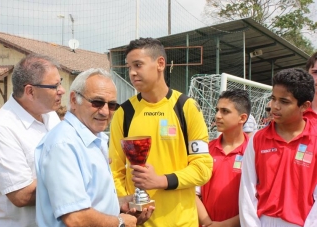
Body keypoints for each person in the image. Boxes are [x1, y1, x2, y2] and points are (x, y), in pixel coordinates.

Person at [109, 37, 213, 227]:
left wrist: (161, 180)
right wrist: (126, 204)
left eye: (138, 65)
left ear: (160, 63)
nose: (132, 73)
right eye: (129, 67)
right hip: (139, 223)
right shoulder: (123, 114)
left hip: (182, 222)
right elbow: (115, 170)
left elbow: (203, 169)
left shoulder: (187, 108)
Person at [35, 68, 151, 227]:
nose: (105, 111)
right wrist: (120, 223)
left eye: (111, 105)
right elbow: (75, 218)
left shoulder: (92, 139)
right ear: (74, 100)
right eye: (97, 102)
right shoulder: (64, 144)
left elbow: (90, 202)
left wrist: (120, 203)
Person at [0, 54, 64, 227]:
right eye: (54, 85)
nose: (62, 90)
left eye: (61, 82)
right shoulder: (3, 129)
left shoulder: (50, 115)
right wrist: (73, 180)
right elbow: (21, 195)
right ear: (30, 91)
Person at [239, 68, 317, 226]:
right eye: (273, 98)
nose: (275, 106)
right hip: (262, 222)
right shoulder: (258, 138)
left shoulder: (315, 139)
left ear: (304, 106)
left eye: (284, 101)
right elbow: (247, 188)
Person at [196, 89, 251, 227]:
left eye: (225, 111)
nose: (217, 116)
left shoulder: (253, 152)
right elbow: (193, 192)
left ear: (242, 118)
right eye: (217, 110)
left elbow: (258, 200)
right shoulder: (205, 149)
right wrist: (207, 222)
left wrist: (226, 225)